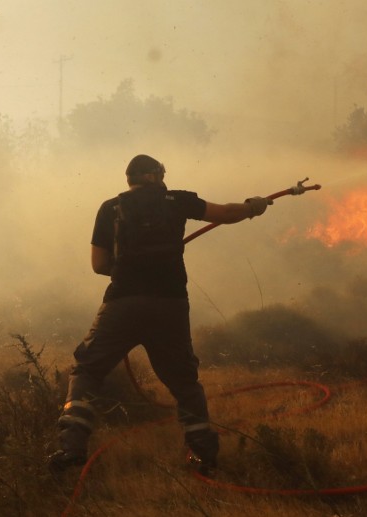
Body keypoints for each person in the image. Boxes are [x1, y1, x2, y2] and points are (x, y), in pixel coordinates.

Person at [49, 154, 272, 476]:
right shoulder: (177, 200)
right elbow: (225, 213)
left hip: (122, 304)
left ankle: (71, 447)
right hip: (170, 304)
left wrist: (128, 269)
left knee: (87, 371)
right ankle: (203, 457)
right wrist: (254, 206)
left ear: (130, 179)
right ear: (155, 176)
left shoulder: (110, 208)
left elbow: (99, 265)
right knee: (184, 383)